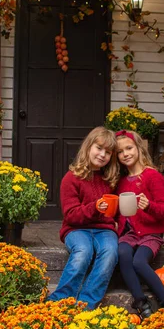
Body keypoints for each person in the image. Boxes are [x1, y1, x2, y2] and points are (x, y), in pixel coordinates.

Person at [48, 127, 119, 309]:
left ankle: (86, 304)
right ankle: (60, 301)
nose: (102, 155)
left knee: (110, 251)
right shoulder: (71, 178)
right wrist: (95, 207)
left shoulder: (109, 179)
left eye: (108, 152)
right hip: (76, 229)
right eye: (99, 148)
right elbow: (71, 215)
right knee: (83, 252)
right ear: (88, 147)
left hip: (104, 229)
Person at [116, 129, 164, 319]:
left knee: (138, 262)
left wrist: (149, 206)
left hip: (151, 234)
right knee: (122, 254)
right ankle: (141, 302)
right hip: (130, 234)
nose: (125, 154)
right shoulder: (122, 181)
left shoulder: (152, 176)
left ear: (139, 148)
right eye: (120, 151)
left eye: (129, 148)